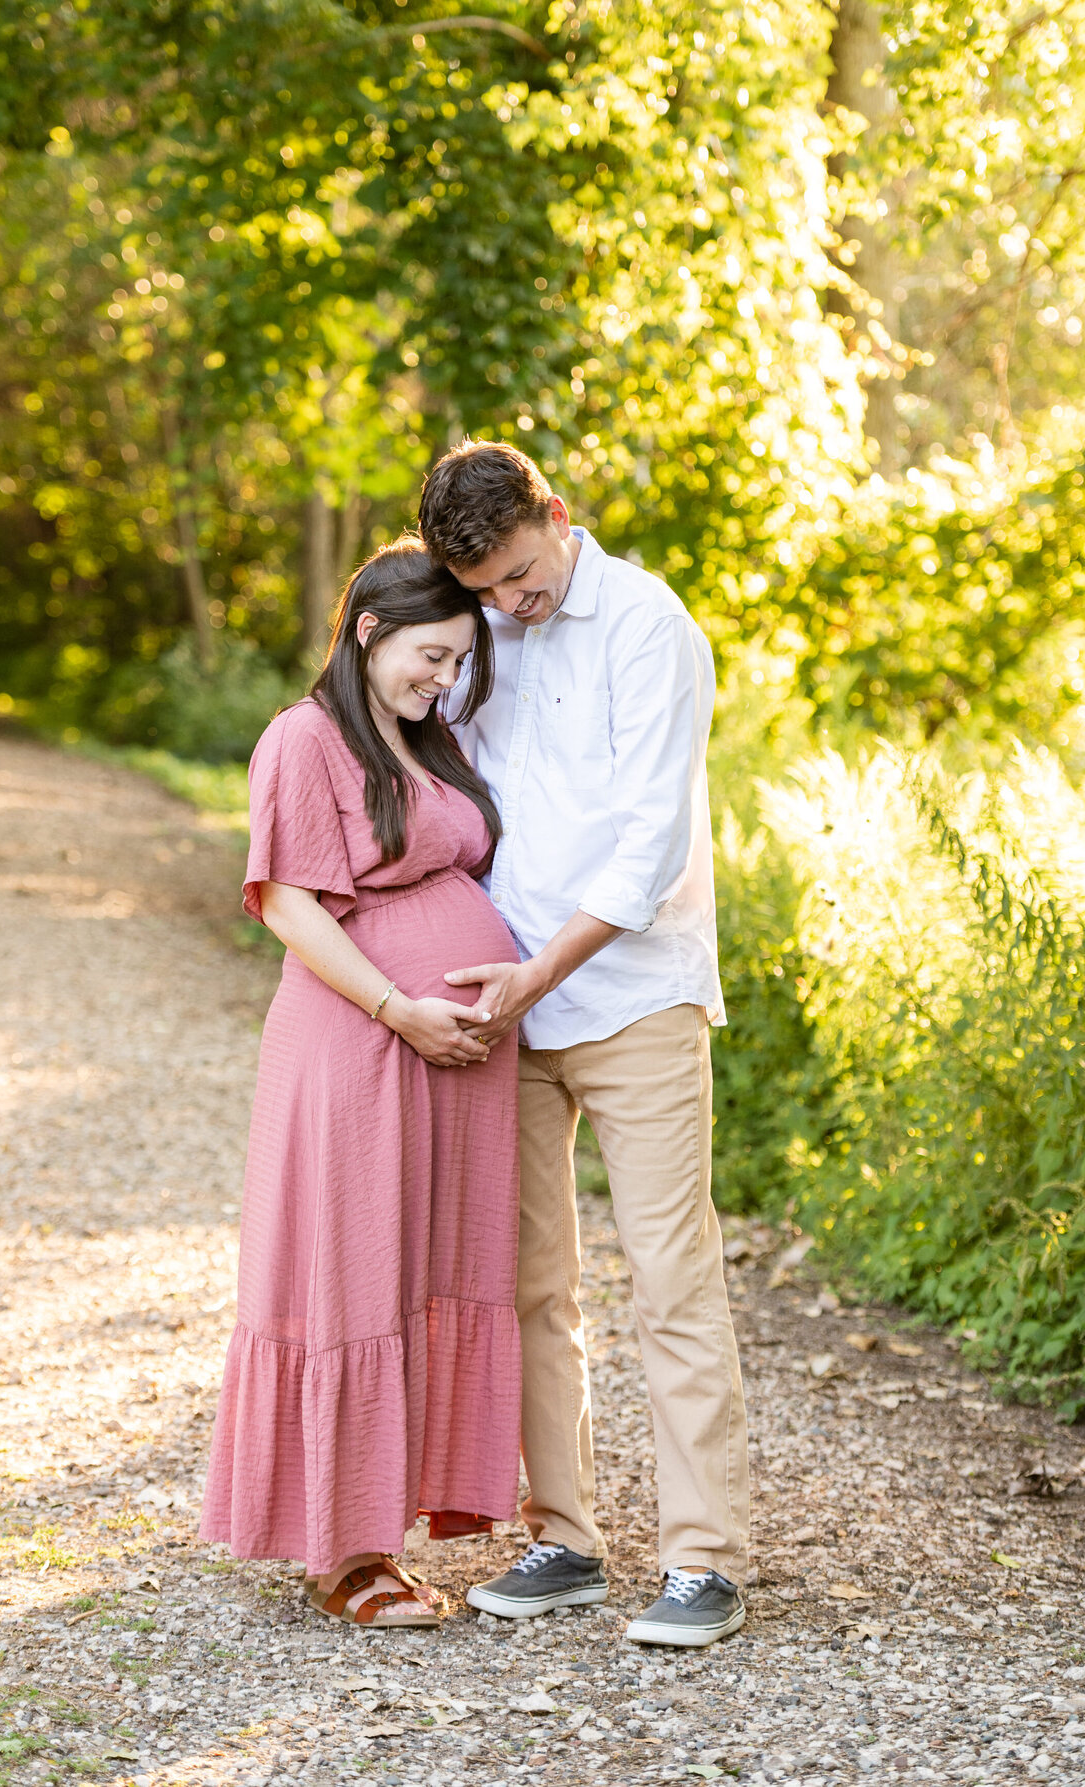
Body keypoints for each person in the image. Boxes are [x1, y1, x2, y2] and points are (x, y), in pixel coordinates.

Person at [419, 441, 750, 1648]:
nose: (509, 604)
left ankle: (704, 1561)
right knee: (529, 1288)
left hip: (634, 997)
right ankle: (563, 1538)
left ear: (556, 517)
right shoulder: (481, 631)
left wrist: (535, 974)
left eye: (518, 574)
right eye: (487, 590)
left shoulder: (651, 628)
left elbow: (648, 846)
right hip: (505, 1006)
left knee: (670, 1278)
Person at [199, 538, 523, 1628]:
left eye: (459, 660)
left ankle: (393, 1520)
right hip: (361, 1043)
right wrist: (400, 1009)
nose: (445, 677)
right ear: (370, 631)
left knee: (424, 1274)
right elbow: (287, 903)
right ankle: (342, 1551)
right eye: (432, 654)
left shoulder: (427, 740)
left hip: (449, 1064)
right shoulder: (306, 739)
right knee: (350, 1276)